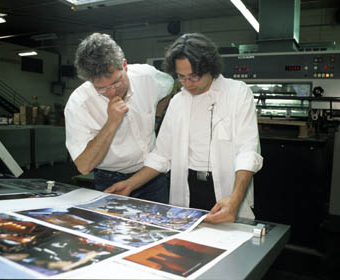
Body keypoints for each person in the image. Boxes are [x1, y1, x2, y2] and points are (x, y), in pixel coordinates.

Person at [105, 33, 263, 223]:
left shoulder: (237, 93)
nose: (188, 84)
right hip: (187, 190)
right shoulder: (178, 102)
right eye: (182, 77)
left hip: (228, 192)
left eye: (194, 77)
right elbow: (162, 156)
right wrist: (130, 184)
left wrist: (235, 200)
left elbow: (247, 152)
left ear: (210, 68)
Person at [64, 33, 174, 204]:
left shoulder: (147, 77)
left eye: (116, 82)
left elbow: (169, 87)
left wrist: (157, 119)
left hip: (153, 174)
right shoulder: (79, 104)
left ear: (124, 65)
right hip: (111, 180)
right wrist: (112, 123)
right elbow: (84, 166)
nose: (112, 92)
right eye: (102, 89)